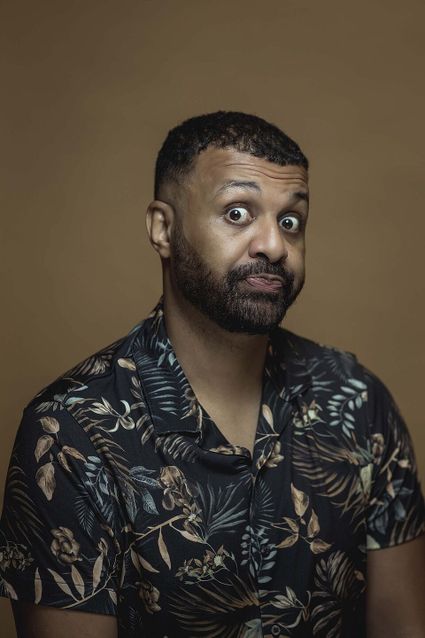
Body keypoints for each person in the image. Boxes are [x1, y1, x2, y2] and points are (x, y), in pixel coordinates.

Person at [1, 111, 424, 638]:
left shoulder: (357, 400)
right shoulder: (69, 434)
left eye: (290, 221)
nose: (274, 245)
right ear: (164, 228)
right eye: (238, 213)